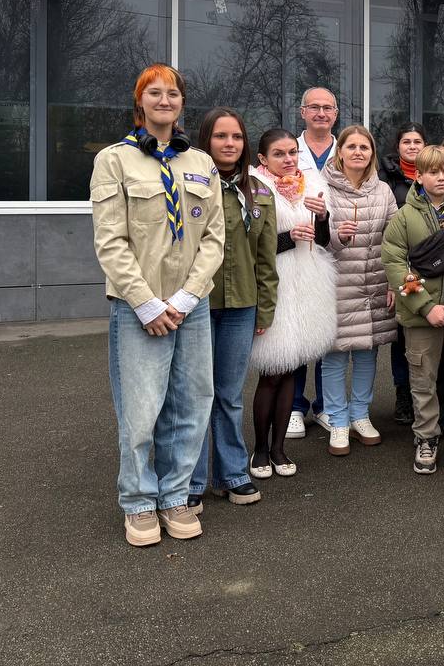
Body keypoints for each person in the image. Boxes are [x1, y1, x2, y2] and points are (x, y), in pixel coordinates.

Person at [90, 63, 224, 547]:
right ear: (140, 101)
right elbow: (110, 242)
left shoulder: (201, 163)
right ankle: (139, 501)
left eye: (173, 93)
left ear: (182, 103)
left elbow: (214, 237)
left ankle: (175, 495)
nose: (164, 101)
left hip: (191, 306)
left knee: (192, 404)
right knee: (141, 409)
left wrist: (187, 297)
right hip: (138, 308)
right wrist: (147, 304)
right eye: (155, 93)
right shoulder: (113, 161)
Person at [188, 108, 278, 514]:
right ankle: (190, 480)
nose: (229, 143)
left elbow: (265, 259)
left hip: (242, 305)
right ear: (205, 140)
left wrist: (265, 309)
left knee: (228, 394)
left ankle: (231, 473)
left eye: (237, 137)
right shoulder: (190, 185)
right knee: (195, 394)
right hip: (196, 305)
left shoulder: (259, 192)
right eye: (220, 136)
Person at [382, 145, 444, 473]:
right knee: (423, 380)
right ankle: (426, 436)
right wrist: (426, 306)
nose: (441, 177)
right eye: (433, 172)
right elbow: (396, 264)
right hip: (421, 319)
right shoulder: (403, 217)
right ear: (419, 176)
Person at [247, 129, 336, 479]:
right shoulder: (255, 188)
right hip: (275, 286)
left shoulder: (311, 184)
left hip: (306, 286)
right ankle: (259, 449)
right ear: (262, 159)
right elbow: (249, 244)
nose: (288, 159)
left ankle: (279, 448)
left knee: (290, 370)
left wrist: (323, 217)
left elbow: (323, 241)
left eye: (292, 152)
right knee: (272, 371)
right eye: (279, 154)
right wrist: (288, 237)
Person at [323, 125, 399, 455]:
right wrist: (338, 236)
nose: (358, 152)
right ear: (339, 152)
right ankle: (337, 420)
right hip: (337, 284)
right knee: (335, 356)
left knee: (368, 353)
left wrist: (395, 281)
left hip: (375, 284)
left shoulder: (383, 190)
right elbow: (314, 240)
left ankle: (360, 415)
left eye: (364, 147)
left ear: (372, 154)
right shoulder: (323, 187)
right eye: (351, 146)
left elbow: (395, 240)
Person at [289, 87, 339, 439]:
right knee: (294, 329)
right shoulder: (290, 150)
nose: (321, 113)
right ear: (302, 112)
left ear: (335, 114)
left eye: (328, 108)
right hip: (295, 251)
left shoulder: (347, 148)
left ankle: (325, 405)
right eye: (314, 107)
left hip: (336, 252)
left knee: (326, 332)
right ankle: (294, 405)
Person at [380, 122, 428, 424]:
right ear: (398, 146)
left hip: (429, 266)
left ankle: (427, 395)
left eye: (417, 141)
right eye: (406, 141)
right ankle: (403, 393)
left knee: (426, 331)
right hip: (401, 266)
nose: (412, 146)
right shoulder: (385, 178)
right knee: (402, 331)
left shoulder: (433, 175)